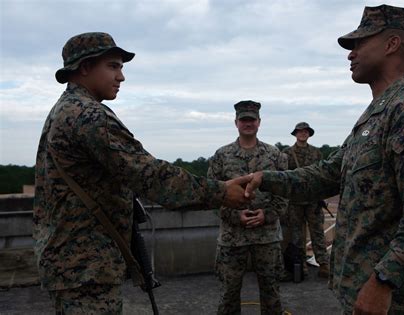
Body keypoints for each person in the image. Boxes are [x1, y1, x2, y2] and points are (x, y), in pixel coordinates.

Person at [243, 5, 404, 314]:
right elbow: (329, 173)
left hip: (392, 300)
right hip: (362, 292)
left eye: (360, 43)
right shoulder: (376, 115)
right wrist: (267, 178)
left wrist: (384, 280)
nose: (350, 54)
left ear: (391, 44)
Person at [34, 32, 250, 314]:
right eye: (113, 66)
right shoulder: (88, 115)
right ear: (85, 67)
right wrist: (221, 192)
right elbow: (150, 175)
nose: (121, 76)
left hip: (74, 263)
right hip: (86, 267)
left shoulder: (64, 111)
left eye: (121, 67)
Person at [207, 100, 288, 315]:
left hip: (267, 236)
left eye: (252, 119)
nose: (248, 123)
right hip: (233, 238)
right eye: (243, 119)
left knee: (271, 293)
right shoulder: (221, 156)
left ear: (259, 122)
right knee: (228, 294)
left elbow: (285, 194)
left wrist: (267, 215)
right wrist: (235, 216)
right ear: (236, 123)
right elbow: (212, 197)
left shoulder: (275, 155)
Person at [282, 122, 329, 278]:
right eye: (300, 131)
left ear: (309, 134)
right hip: (295, 201)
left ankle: (323, 264)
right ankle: (300, 264)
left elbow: (322, 176)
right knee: (297, 235)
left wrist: (321, 196)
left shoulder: (316, 153)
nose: (303, 134)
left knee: (318, 233)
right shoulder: (287, 154)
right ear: (295, 134)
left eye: (305, 131)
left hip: (313, 200)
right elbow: (283, 177)